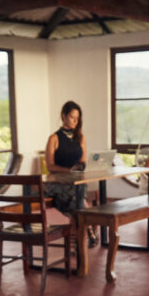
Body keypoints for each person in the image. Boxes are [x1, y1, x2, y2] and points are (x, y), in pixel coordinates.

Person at [44, 100, 98, 247]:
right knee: (77, 197)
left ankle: (79, 238)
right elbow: (50, 166)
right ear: (63, 116)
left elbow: (83, 161)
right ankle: (88, 232)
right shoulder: (54, 138)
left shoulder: (81, 137)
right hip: (57, 183)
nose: (75, 121)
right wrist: (69, 170)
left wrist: (82, 167)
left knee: (78, 191)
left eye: (77, 118)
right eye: (72, 117)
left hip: (77, 181)